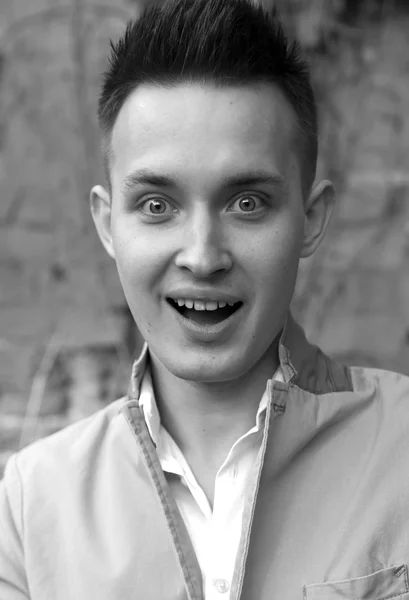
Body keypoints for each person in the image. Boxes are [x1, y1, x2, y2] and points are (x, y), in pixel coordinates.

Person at [1, 0, 409, 598]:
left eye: (247, 203)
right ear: (108, 223)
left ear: (311, 219)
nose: (202, 255)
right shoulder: (32, 503)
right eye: (157, 206)